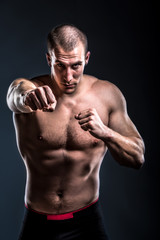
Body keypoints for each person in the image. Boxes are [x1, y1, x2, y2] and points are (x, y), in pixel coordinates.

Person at [7, 24, 145, 240]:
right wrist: (27, 98)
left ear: (87, 58)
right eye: (60, 65)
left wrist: (106, 132)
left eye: (76, 65)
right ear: (48, 59)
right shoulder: (31, 90)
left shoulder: (107, 95)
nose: (68, 76)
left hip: (87, 221)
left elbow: (137, 157)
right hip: (37, 223)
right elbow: (15, 95)